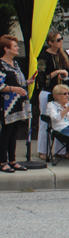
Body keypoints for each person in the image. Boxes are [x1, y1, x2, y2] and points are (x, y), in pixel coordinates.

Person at [37, 30, 69, 160]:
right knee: (46, 120)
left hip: (62, 92)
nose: (61, 42)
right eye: (58, 40)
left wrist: (65, 76)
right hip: (48, 91)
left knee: (63, 119)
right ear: (50, 42)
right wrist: (56, 72)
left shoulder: (64, 54)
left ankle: (61, 150)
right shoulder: (44, 56)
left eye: (61, 39)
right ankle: (43, 150)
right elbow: (42, 78)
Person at [0, 35, 36, 172]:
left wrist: (27, 82)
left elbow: (18, 82)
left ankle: (12, 160)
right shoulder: (1, 64)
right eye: (15, 46)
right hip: (6, 105)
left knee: (14, 132)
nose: (17, 48)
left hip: (18, 103)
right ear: (6, 49)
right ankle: (3, 161)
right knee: (6, 132)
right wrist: (13, 88)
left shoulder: (15, 64)